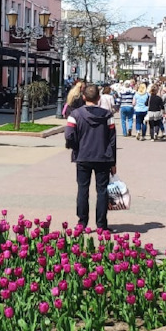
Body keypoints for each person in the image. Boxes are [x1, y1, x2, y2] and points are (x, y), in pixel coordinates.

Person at [65, 83, 117, 231]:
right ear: (98, 98)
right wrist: (113, 162)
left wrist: (75, 147)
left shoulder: (75, 115)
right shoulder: (108, 115)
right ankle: (101, 225)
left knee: (83, 189)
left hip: (83, 157)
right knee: (102, 191)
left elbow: (69, 134)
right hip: (103, 158)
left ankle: (82, 223)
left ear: (83, 97)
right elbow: (112, 140)